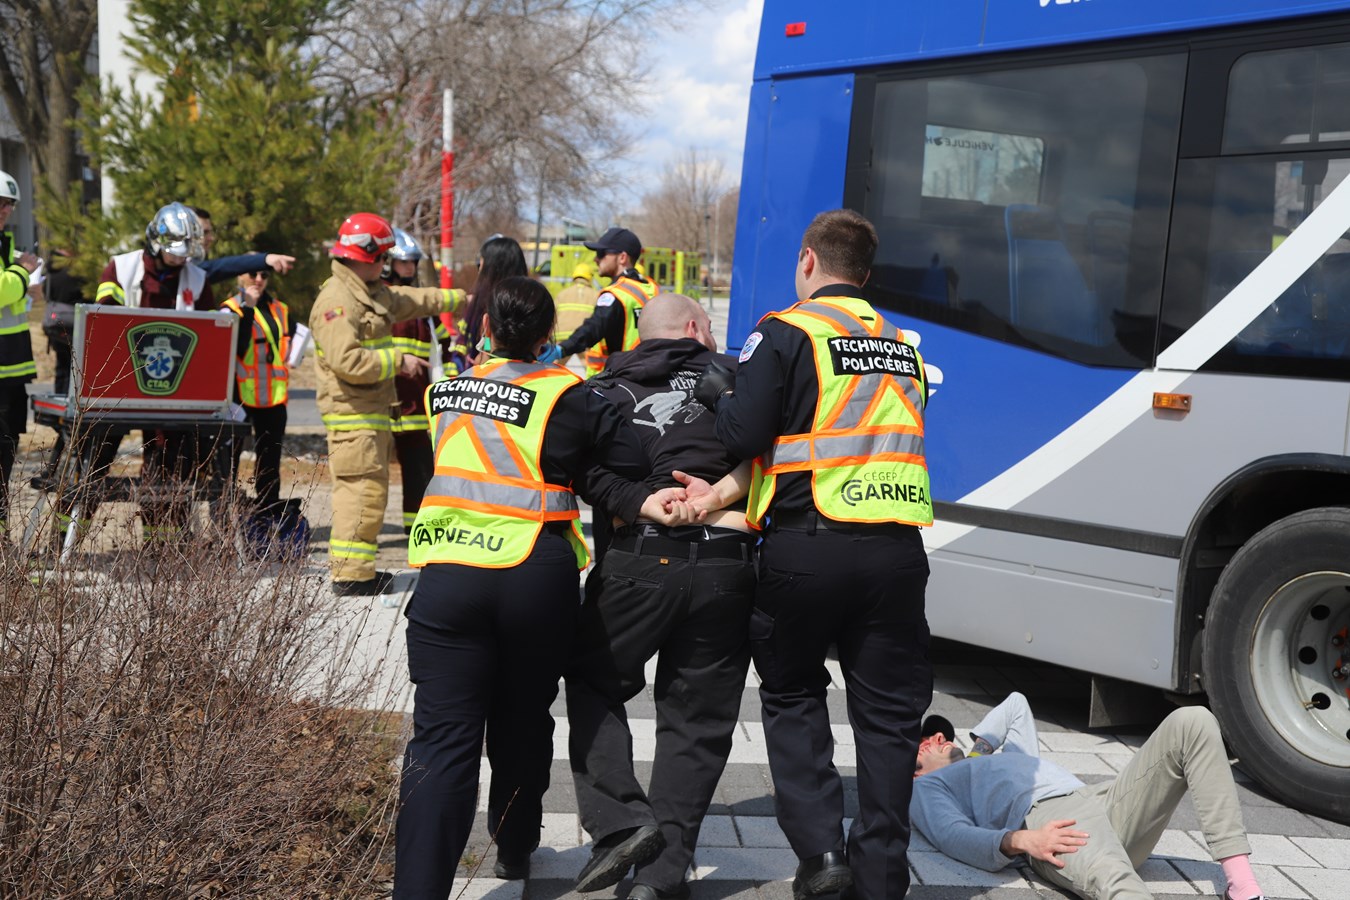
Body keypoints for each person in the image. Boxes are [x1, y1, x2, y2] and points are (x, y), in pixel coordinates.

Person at [394, 276, 685, 899]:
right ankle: (515, 844)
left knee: (440, 745)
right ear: (549, 335)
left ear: (487, 328)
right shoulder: (567, 395)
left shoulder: (445, 393)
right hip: (533, 576)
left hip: (448, 579)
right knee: (523, 721)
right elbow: (628, 460)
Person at [694, 209, 934, 900]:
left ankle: (823, 853)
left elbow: (743, 432)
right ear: (865, 272)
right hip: (895, 552)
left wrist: (723, 393)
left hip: (807, 548)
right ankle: (884, 874)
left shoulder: (787, 330)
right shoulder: (902, 344)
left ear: (808, 263)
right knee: (890, 720)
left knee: (794, 693)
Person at [565, 293, 755, 900]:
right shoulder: (742, 381)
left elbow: (576, 470)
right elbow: (773, 456)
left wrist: (640, 502)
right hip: (728, 565)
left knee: (594, 680)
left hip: (637, 560)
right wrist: (714, 499)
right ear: (698, 329)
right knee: (696, 722)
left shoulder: (601, 389)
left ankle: (621, 822)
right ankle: (662, 877)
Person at [911, 693, 1269, 900]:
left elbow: (1016, 705)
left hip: (1103, 799)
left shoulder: (994, 760)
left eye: (937, 737)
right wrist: (1022, 840)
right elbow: (952, 834)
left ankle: (1242, 885)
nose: (937, 741)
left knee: (1193, 720)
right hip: (1052, 819)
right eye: (921, 748)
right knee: (1119, 887)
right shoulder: (926, 786)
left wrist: (978, 751)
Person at [309, 212, 467, 596]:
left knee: (371, 492)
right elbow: (347, 362)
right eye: (381, 257)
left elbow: (411, 299)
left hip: (369, 413)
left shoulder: (368, 290)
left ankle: (358, 573)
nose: (385, 265)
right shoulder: (337, 301)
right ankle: (350, 578)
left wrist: (461, 299)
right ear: (363, 256)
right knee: (360, 493)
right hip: (352, 415)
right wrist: (399, 361)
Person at [87, 202, 218, 544]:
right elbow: (103, 319)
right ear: (155, 242)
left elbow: (207, 336)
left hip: (171, 390)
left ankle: (161, 548)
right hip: (117, 384)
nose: (179, 260)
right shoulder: (121, 268)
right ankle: (62, 541)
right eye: (174, 253)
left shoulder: (197, 279)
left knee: (167, 472)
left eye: (184, 253)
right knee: (93, 465)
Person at [386, 228, 457, 533]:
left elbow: (443, 346)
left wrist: (451, 380)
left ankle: (415, 526)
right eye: (404, 263)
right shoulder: (383, 302)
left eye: (413, 262)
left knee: (419, 468)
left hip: (419, 401)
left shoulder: (422, 308)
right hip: (388, 398)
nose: (410, 268)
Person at [221, 269, 293, 514]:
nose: (259, 279)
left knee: (270, 460)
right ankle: (225, 513)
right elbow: (237, 348)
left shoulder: (279, 308)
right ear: (240, 276)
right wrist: (248, 308)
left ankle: (266, 514)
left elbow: (288, 340)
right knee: (229, 459)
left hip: (272, 394)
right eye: (252, 273)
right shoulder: (231, 308)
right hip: (239, 394)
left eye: (264, 274)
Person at [554, 227, 657, 376]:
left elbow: (594, 327)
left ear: (622, 258)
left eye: (602, 254)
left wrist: (561, 349)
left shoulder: (615, 294)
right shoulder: (654, 290)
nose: (596, 259)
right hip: (649, 375)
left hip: (621, 378)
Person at [0, 169, 39, 542]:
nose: (4, 210)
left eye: (8, 203)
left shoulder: (6, 247)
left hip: (13, 367)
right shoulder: (14, 258)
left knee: (7, 450)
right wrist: (23, 272)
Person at [461, 234, 528, 361]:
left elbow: (486, 341)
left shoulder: (492, 304)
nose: (480, 269)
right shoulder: (529, 300)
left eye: (481, 263)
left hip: (493, 374)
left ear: (492, 267)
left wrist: (483, 354)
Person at [189, 206, 296, 283]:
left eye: (210, 232)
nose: (211, 238)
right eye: (204, 232)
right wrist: (265, 259)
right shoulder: (180, 270)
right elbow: (219, 267)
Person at [552, 260, 597, 359]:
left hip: (562, 335)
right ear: (590, 277)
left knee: (555, 365)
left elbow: (553, 315)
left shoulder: (563, 293)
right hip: (583, 336)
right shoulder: (595, 295)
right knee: (588, 366)